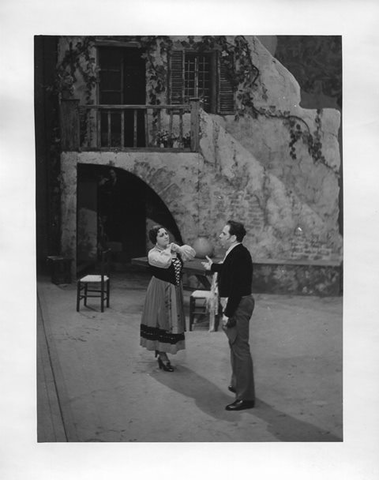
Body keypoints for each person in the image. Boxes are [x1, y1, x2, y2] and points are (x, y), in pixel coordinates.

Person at [202, 220, 256, 411]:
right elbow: (230, 270)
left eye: (224, 234)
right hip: (237, 302)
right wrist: (213, 268)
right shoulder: (235, 252)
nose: (220, 236)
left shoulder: (239, 254)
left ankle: (246, 397)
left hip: (239, 303)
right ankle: (237, 384)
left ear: (233, 237)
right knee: (235, 346)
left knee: (240, 348)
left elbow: (238, 287)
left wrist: (228, 312)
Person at [140, 226, 195, 371]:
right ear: (155, 240)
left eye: (166, 233)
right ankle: (162, 356)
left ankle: (162, 353)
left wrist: (178, 248)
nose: (166, 236)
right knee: (160, 321)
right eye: (161, 235)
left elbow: (191, 254)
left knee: (171, 322)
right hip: (160, 289)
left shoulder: (172, 251)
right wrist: (170, 250)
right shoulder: (154, 254)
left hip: (174, 289)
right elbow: (165, 263)